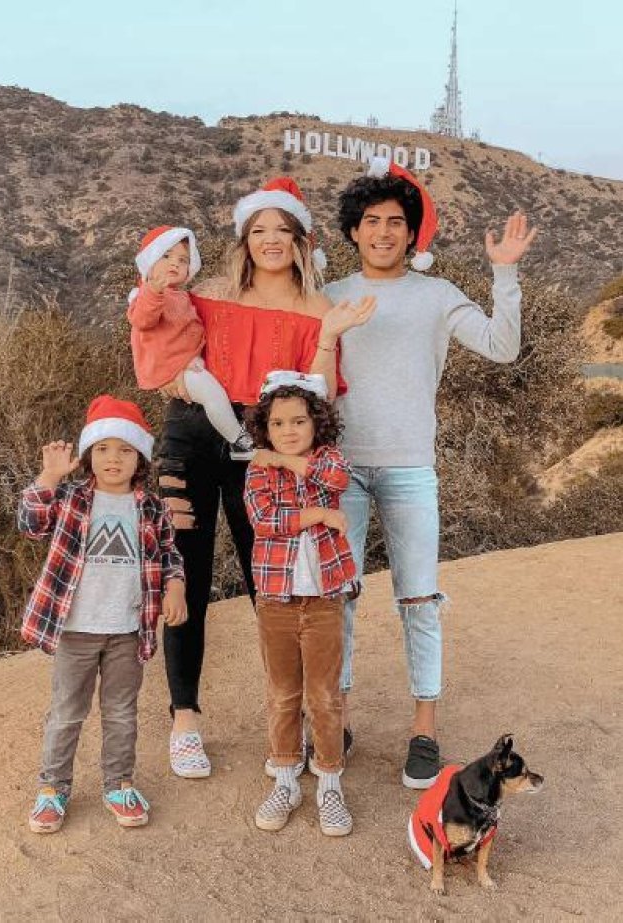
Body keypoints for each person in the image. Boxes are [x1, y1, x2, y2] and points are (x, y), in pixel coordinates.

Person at [324, 157, 536, 789]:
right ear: (353, 230)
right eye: (371, 221)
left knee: (419, 599)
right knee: (339, 599)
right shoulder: (329, 295)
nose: (383, 232)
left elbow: (502, 347)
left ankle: (424, 733)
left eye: (396, 222)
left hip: (410, 467)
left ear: (412, 232)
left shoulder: (437, 295)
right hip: (340, 469)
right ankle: (337, 720)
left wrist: (505, 273)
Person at [156, 177, 376, 779]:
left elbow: (320, 394)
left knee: (275, 584)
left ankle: (303, 716)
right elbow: (159, 343)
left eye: (283, 229)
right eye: (259, 229)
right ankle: (184, 720)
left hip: (263, 448)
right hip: (191, 437)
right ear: (244, 238)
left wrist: (327, 338)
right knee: (186, 574)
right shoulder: (210, 294)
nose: (271, 239)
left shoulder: (320, 309)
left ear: (301, 239)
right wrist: (169, 375)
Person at [19, 395, 187, 832]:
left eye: (126, 450)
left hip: (128, 629)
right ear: (89, 455)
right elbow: (31, 523)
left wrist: (175, 585)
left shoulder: (152, 507)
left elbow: (169, 554)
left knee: (121, 712)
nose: (114, 458)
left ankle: (119, 783)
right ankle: (52, 788)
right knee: (66, 713)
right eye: (104, 449)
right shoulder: (71, 497)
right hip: (75, 628)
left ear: (140, 458)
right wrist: (49, 476)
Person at [244, 370, 357, 836]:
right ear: (265, 428)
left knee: (325, 696)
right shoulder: (257, 470)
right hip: (276, 600)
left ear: (316, 424)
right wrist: (320, 513)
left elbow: (338, 478)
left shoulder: (328, 459)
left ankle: (329, 783)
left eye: (298, 421)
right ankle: (286, 778)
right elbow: (264, 519)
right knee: (282, 693)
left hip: (325, 600)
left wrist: (289, 463)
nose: (288, 431)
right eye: (277, 424)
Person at [127, 225, 254, 460]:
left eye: (183, 260)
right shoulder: (148, 295)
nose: (174, 263)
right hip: (172, 368)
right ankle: (237, 439)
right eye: (166, 256)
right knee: (212, 394)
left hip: (187, 362)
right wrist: (153, 290)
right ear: (149, 260)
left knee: (214, 391)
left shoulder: (180, 295)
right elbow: (142, 320)